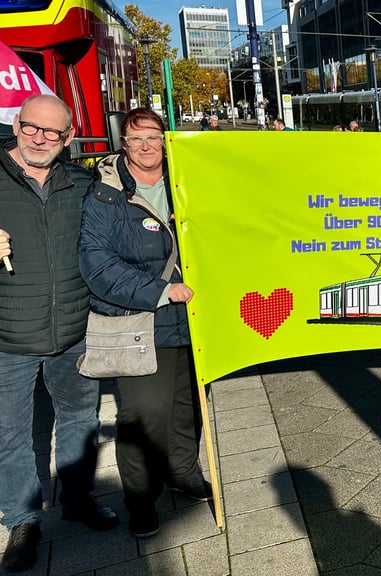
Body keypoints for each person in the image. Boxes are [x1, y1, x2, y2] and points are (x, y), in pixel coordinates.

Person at [78, 108, 210, 539]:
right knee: (145, 414)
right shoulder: (105, 194)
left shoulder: (188, 179)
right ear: (124, 144)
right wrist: (160, 291)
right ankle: (141, 498)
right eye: (136, 138)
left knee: (189, 406)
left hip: (193, 318)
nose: (146, 146)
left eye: (153, 136)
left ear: (166, 140)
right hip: (140, 321)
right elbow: (96, 263)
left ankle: (183, 473)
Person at [0, 94, 119, 572]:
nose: (40, 139)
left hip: (73, 330)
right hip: (7, 335)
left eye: (53, 132)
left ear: (68, 137)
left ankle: (78, 499)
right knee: (9, 433)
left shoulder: (81, 183)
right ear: (16, 124)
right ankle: (22, 520)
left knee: (79, 418)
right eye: (32, 127)